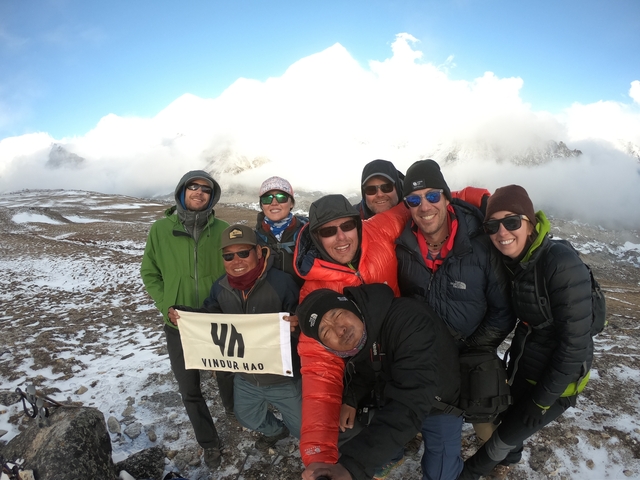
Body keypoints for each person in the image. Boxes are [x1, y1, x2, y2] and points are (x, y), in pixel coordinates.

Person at [458, 185, 593, 479]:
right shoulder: (516, 262)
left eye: (512, 222)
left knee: (498, 443)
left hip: (560, 381)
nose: (502, 232)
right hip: (525, 363)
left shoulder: (560, 263)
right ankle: (512, 455)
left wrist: (541, 400)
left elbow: (575, 345)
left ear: (530, 223)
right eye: (493, 225)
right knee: (507, 418)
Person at [395, 160, 515, 480]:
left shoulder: (481, 245)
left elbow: (502, 311)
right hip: (423, 359)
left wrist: (472, 349)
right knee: (439, 444)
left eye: (433, 196)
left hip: (470, 351)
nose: (424, 206)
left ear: (447, 198)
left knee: (489, 421)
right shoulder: (401, 245)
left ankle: (494, 456)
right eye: (414, 200)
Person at [297, 284, 460, 480]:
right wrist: (352, 399)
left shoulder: (408, 318)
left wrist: (353, 466)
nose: (339, 330)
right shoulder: (359, 339)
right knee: (367, 427)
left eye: (337, 314)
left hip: (439, 403)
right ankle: (395, 453)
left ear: (352, 306)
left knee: (442, 475)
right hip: (395, 398)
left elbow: (412, 398)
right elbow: (367, 370)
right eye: (325, 332)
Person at [168, 224, 302, 450]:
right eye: (228, 256)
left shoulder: (282, 283)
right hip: (247, 377)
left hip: (283, 378)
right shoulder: (219, 287)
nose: (236, 261)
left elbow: (305, 318)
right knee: (246, 417)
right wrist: (184, 316)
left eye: (243, 253)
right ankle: (276, 430)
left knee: (305, 430)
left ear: (258, 252)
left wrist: (297, 324)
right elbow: (212, 319)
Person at [140, 170, 229, 468]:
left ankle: (241, 416)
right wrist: (166, 305)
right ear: (182, 191)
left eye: (206, 189)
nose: (199, 192)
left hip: (215, 321)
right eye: (194, 187)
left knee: (229, 377)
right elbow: (150, 273)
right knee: (190, 389)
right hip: (177, 323)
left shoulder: (223, 230)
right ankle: (210, 443)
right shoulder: (160, 230)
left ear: (211, 196)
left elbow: (237, 270)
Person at [255, 176, 308, 286]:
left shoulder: (307, 232)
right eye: (267, 198)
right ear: (261, 205)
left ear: (291, 203)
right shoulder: (254, 237)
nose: (274, 203)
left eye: (281, 197)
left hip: (305, 298)